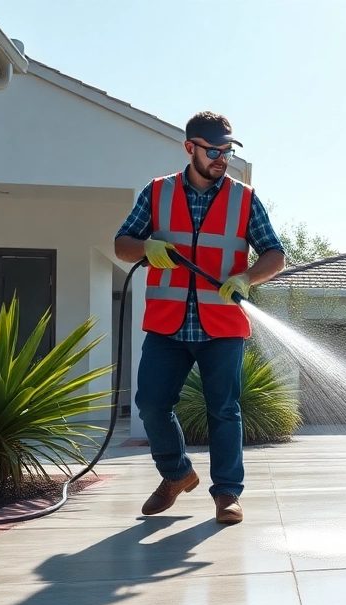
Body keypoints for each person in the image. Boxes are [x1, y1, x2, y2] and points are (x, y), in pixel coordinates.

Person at [114, 111, 286, 525]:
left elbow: (275, 255)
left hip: (222, 325)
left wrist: (247, 276)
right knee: (151, 404)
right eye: (214, 151)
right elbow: (122, 244)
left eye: (226, 151)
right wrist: (146, 247)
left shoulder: (244, 198)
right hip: (167, 324)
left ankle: (227, 494)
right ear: (190, 147)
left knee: (224, 410)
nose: (221, 158)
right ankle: (176, 474)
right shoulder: (156, 193)